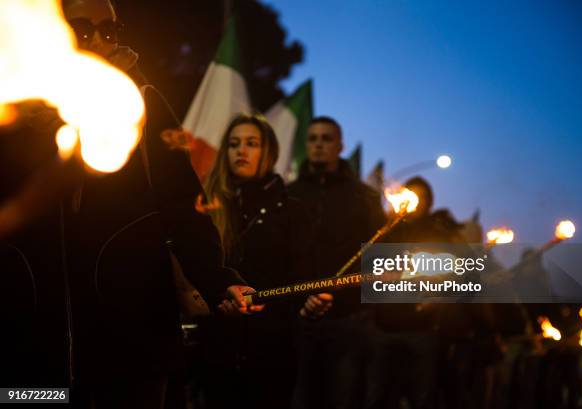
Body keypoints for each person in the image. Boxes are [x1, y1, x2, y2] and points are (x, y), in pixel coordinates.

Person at [0, 1, 254, 407]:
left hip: (132, 343)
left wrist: (217, 277)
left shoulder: (142, 104)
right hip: (28, 350)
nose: (101, 40)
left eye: (111, 31)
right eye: (84, 30)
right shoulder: (12, 109)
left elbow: (183, 205)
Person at [187, 113, 332, 409]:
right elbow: (194, 267)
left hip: (272, 351)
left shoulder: (291, 211)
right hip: (216, 348)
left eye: (251, 143)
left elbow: (303, 277)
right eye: (234, 144)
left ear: (269, 152)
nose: (241, 150)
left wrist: (309, 305)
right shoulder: (206, 204)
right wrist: (216, 298)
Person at [287, 116, 387, 409]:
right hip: (298, 319)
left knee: (343, 397)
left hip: (348, 320)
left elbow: (379, 255)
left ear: (340, 145)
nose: (319, 145)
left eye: (326, 138)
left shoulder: (363, 197)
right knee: (299, 398)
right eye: (313, 138)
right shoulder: (289, 194)